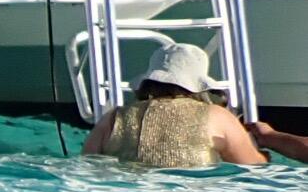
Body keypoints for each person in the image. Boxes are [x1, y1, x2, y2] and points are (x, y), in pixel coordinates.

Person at [83, 44, 269, 167]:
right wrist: (265, 153)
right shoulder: (217, 117)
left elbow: (88, 165)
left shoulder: (114, 118)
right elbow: (252, 166)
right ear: (199, 84)